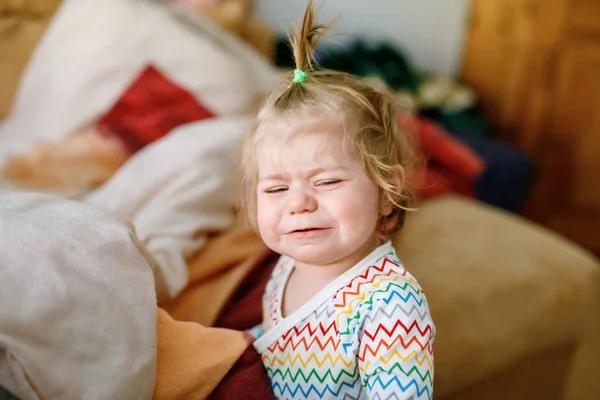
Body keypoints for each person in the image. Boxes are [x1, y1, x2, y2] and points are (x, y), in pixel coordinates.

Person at [239, 1, 435, 398]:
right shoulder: (291, 260)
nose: (298, 204)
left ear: (387, 190)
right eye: (277, 188)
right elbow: (282, 343)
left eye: (326, 181)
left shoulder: (390, 306)